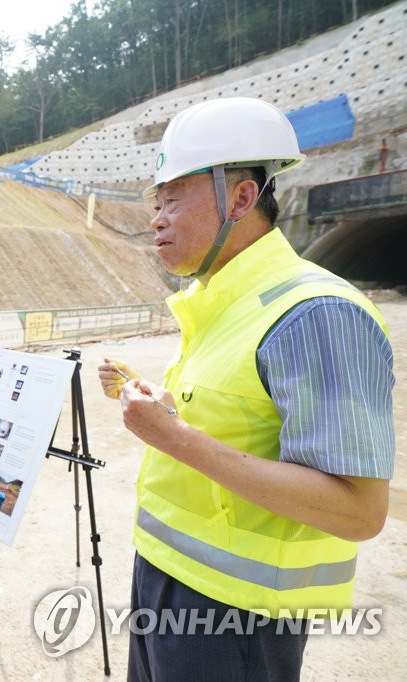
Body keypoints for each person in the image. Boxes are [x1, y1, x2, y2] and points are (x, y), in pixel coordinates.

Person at [97, 97, 395, 681]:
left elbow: (358, 511)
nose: (157, 217)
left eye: (174, 197)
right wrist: (161, 407)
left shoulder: (316, 313)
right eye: (157, 201)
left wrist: (174, 438)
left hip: (239, 616)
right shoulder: (217, 305)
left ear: (240, 198)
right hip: (163, 577)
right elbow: (230, 418)